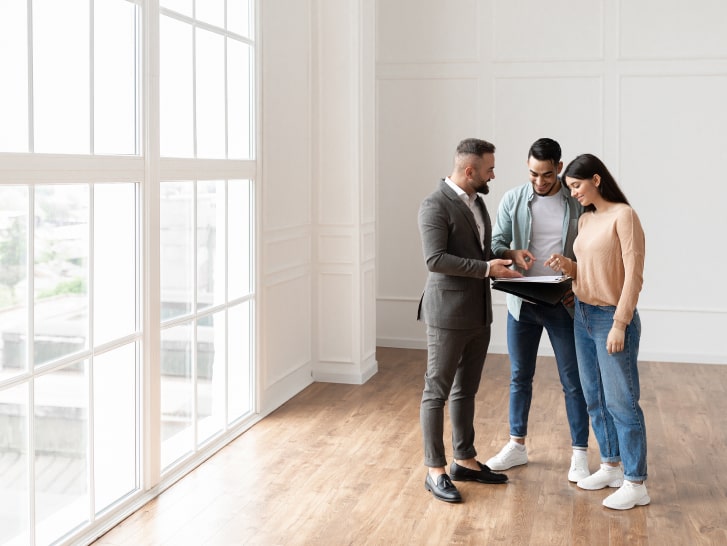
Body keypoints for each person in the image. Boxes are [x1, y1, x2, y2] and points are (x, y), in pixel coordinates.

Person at [417, 138, 521, 503]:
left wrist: (506, 255)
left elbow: (481, 251)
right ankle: (435, 470)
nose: (494, 174)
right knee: (437, 391)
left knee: (467, 390)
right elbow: (436, 260)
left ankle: (464, 459)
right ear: (469, 170)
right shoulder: (434, 205)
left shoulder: (478, 202)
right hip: (446, 314)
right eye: (490, 168)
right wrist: (485, 269)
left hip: (478, 312)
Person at [545, 153, 649, 510]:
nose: (573, 193)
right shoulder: (587, 220)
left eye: (576, 185)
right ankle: (611, 465)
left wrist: (620, 323)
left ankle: (636, 483)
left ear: (596, 179)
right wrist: (569, 266)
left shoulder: (625, 216)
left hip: (610, 317)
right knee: (594, 397)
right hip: (582, 315)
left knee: (621, 401)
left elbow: (633, 275)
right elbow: (591, 267)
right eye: (570, 188)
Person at [485, 138, 591, 483]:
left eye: (546, 175)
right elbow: (496, 243)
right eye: (533, 175)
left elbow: (593, 252)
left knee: (573, 381)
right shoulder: (513, 199)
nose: (540, 182)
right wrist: (514, 253)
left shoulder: (576, 203)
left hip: (562, 303)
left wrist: (578, 280)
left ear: (559, 168)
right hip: (523, 302)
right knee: (519, 377)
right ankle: (517, 445)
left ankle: (579, 454)